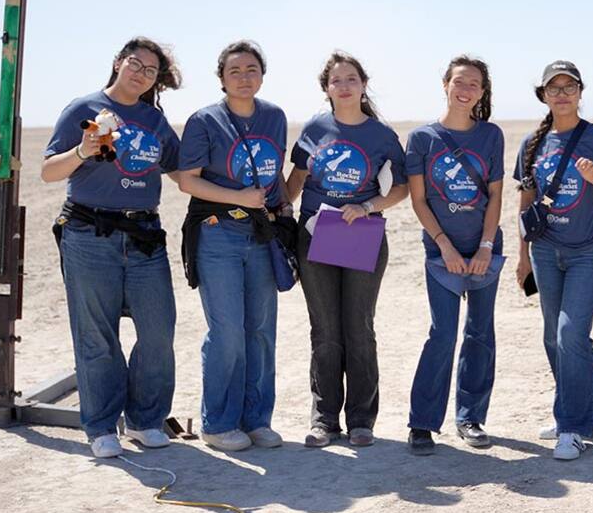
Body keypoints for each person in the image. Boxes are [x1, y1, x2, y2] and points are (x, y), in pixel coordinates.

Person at [41, 37, 182, 459]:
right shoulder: (84, 110)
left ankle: (145, 421)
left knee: (158, 332)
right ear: (119, 63)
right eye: (135, 64)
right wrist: (84, 150)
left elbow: (182, 169)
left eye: (151, 71)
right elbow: (49, 171)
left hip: (144, 236)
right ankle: (101, 426)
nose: (141, 74)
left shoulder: (155, 121)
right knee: (97, 335)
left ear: (157, 80)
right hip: (89, 233)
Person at [514, 60, 593, 461]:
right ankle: (577, 409)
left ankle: (573, 427)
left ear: (580, 93)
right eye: (554, 88)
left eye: (570, 87)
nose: (562, 94)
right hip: (545, 251)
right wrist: (522, 256)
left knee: (571, 333)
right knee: (555, 336)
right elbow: (526, 200)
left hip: (589, 252)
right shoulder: (533, 144)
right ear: (544, 95)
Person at [285, 52, 408, 448]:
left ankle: (360, 420)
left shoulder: (382, 135)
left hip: (361, 233)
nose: (344, 85)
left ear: (363, 84)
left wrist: (367, 206)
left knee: (359, 328)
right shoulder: (314, 129)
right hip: (316, 233)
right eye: (336, 80)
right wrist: (277, 211)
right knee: (324, 330)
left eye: (351, 78)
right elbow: (297, 179)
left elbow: (400, 189)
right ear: (327, 89)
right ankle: (324, 420)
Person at [178, 41, 289, 452]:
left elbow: (273, 173)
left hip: (262, 233)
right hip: (217, 232)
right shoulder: (205, 120)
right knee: (227, 331)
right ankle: (219, 424)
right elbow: (186, 179)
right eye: (235, 70)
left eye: (251, 69)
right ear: (221, 78)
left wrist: (281, 209)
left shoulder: (274, 117)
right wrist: (239, 198)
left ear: (263, 74)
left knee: (260, 329)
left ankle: (257, 419)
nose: (244, 77)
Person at [404, 56, 505, 455]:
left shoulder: (491, 136)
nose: (466, 90)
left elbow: (496, 195)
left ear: (482, 92)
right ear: (445, 83)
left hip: (484, 251)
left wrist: (484, 246)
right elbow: (418, 198)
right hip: (440, 252)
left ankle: (471, 418)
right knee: (442, 334)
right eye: (459, 81)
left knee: (480, 334)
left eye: (475, 84)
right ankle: (423, 424)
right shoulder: (422, 139)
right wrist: (444, 244)